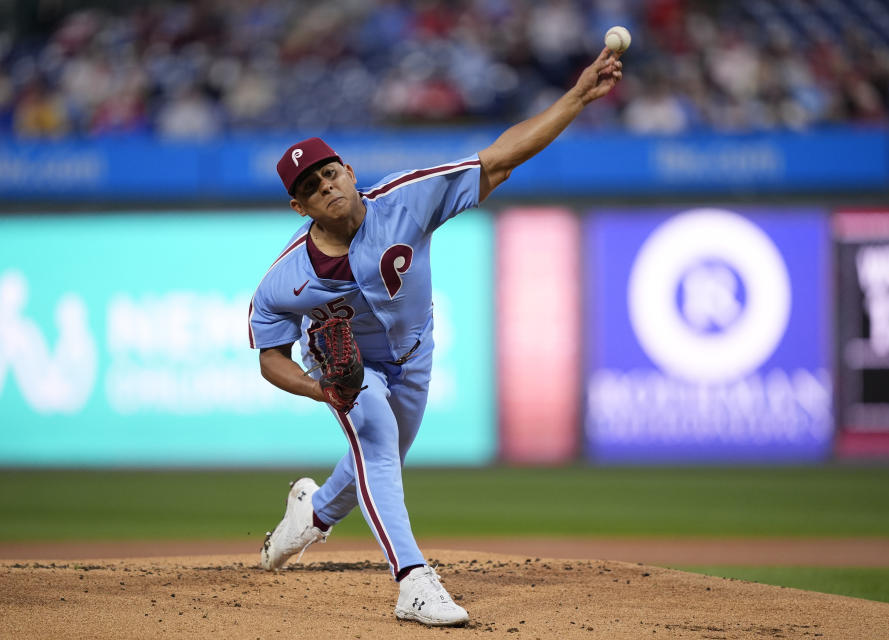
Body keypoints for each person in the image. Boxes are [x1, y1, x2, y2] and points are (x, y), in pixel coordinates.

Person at [248, 46, 623, 627]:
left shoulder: (407, 199)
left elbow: (499, 160)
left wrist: (575, 97)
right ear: (298, 205)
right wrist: (319, 389)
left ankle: (312, 513)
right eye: (309, 185)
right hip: (351, 375)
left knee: (379, 464)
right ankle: (412, 582)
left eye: (328, 171)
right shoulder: (284, 280)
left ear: (348, 171)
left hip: (416, 356)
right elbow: (271, 356)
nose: (324, 185)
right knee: (374, 439)